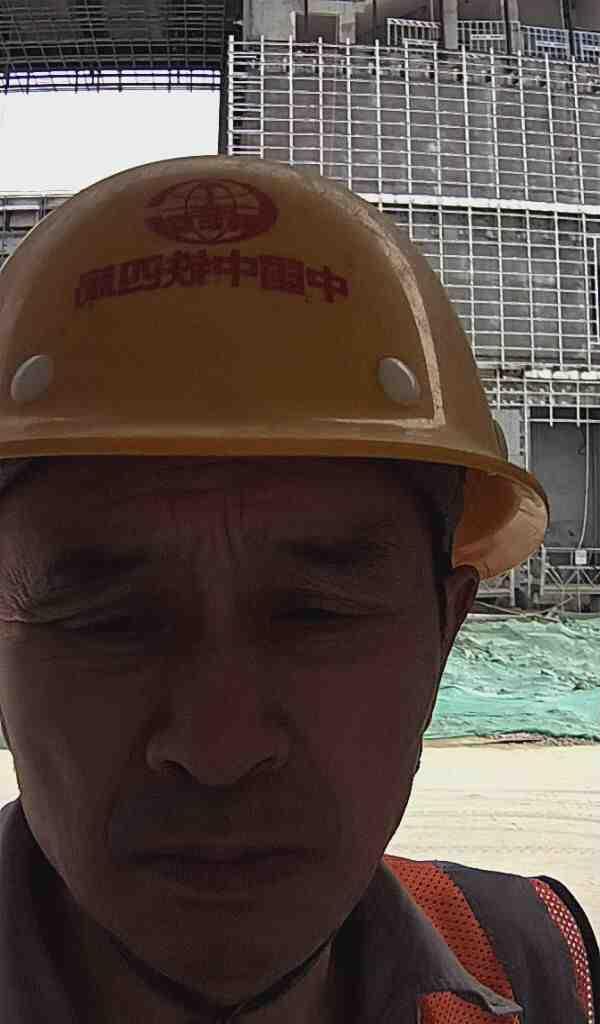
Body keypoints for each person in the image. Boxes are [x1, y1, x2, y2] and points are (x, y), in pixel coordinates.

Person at [0, 156, 596, 1024]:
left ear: (445, 632)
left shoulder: (543, 969)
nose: (219, 748)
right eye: (111, 620)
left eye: (317, 613)